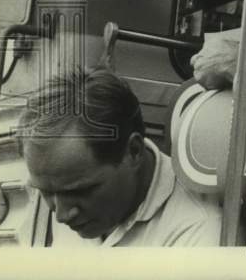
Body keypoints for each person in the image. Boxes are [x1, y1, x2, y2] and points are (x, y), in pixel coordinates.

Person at [17, 67, 221, 247]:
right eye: (46, 192)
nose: (61, 215)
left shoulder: (197, 233)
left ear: (133, 151)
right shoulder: (64, 182)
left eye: (80, 191)